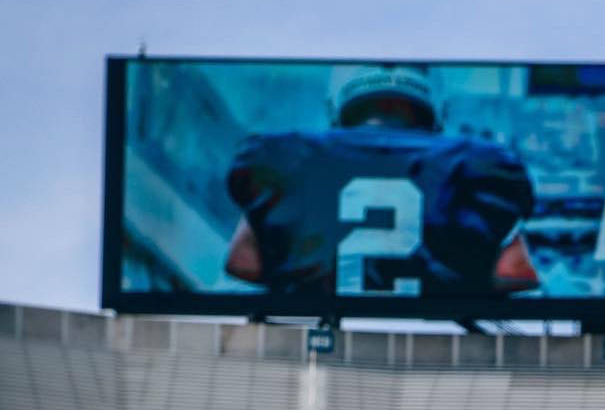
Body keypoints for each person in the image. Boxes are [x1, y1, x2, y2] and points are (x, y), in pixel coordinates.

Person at [224, 63, 538, 302]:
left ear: (338, 104)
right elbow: (514, 273)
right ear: (435, 108)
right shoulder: (480, 162)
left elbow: (244, 264)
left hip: (322, 333)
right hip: (435, 335)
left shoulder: (284, 156)